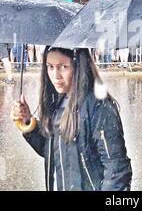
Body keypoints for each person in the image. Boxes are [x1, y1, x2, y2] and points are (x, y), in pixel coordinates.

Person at [10, 46, 132, 191]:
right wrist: (28, 122)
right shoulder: (57, 101)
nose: (56, 75)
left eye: (63, 67)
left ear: (79, 66)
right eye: (50, 67)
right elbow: (54, 152)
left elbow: (117, 170)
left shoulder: (100, 107)